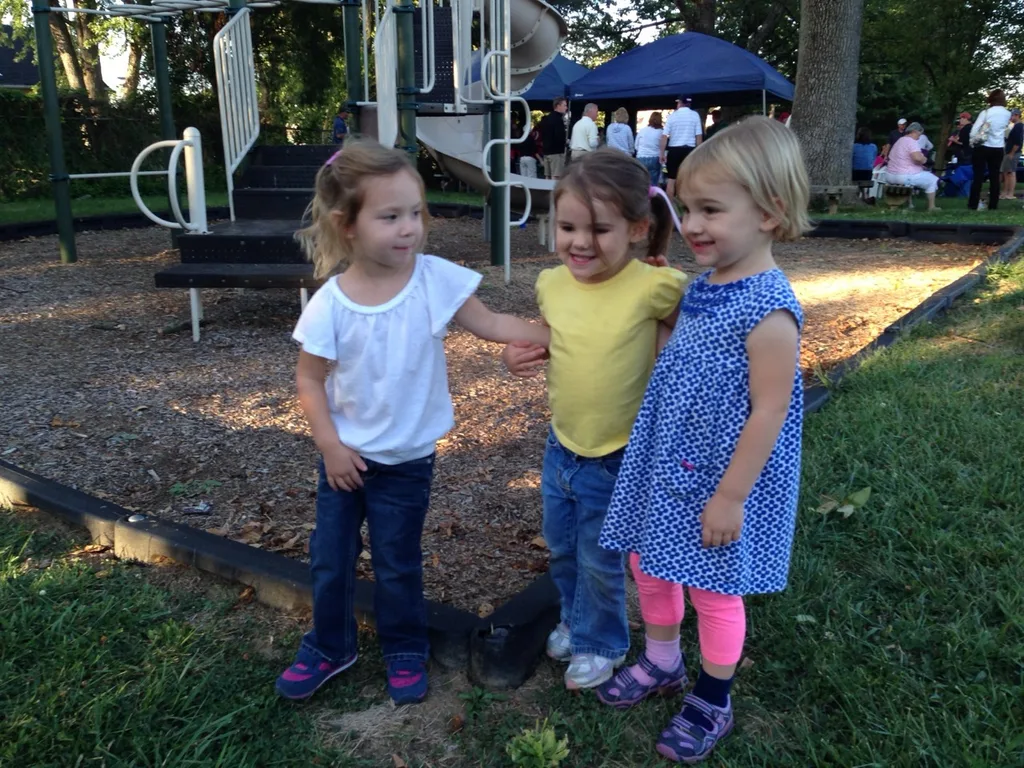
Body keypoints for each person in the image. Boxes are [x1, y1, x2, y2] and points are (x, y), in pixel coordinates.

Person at [275, 140, 549, 705]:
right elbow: (309, 381)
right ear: (345, 224)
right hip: (344, 460)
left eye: (416, 213)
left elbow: (493, 322)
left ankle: (404, 647)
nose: (409, 228)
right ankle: (330, 645)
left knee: (398, 562)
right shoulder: (329, 304)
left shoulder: (434, 280)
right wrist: (329, 447)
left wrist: (556, 335)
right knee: (331, 559)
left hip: (405, 464)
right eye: (390, 216)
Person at [594, 116, 810, 764]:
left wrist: (732, 497)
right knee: (648, 563)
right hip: (668, 460)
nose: (693, 224)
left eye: (711, 209)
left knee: (714, 587)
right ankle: (662, 660)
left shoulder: (769, 310)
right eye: (688, 208)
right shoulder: (700, 288)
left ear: (769, 213)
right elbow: (678, 358)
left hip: (720, 478)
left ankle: (713, 696)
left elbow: (769, 411)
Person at [501, 149, 688, 690]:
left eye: (599, 229)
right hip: (562, 445)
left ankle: (601, 643)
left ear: (636, 229)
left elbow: (686, 336)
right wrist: (510, 357)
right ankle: (574, 619)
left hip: (619, 452)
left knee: (600, 558)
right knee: (560, 546)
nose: (580, 242)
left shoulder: (655, 285)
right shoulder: (552, 284)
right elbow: (548, 336)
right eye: (567, 227)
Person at [969, 89, 1013, 210]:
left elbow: (974, 131)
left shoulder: (986, 112)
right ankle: (993, 204)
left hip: (983, 146)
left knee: (978, 176)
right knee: (995, 177)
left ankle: (973, 204)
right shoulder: (1007, 113)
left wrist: (973, 141)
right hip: (998, 147)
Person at [882, 122, 938, 211]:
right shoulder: (912, 141)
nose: (920, 136)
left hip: (890, 175)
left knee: (919, 176)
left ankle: (908, 205)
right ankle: (932, 207)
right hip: (904, 176)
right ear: (915, 131)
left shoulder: (899, 140)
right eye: (920, 133)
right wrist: (925, 160)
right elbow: (917, 158)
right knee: (932, 179)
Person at [660, 96, 703, 198]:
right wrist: (699, 153)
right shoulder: (695, 115)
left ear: (680, 103)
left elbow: (664, 136)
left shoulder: (673, 116)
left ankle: (670, 209)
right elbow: (699, 137)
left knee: (671, 180)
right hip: (690, 150)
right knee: (689, 179)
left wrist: (661, 153)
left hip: (674, 149)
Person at [539, 98, 569, 179]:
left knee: (547, 176)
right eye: (564, 105)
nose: (566, 108)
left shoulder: (546, 119)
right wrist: (565, 142)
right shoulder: (558, 120)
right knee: (556, 176)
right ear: (558, 106)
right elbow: (559, 136)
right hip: (556, 152)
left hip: (546, 151)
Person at [636, 112, 665, 186]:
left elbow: (636, 146)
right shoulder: (661, 132)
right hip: (655, 158)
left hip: (641, 157)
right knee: (653, 184)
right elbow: (663, 147)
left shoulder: (642, 130)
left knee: (641, 182)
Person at [1000, 108, 1021, 201]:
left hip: (1013, 153)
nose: (1010, 118)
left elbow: (1018, 142)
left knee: (1011, 173)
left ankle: (1010, 193)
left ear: (1016, 115)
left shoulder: (1019, 126)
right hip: (1009, 152)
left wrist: (1012, 153)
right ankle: (1005, 193)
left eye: (1011, 116)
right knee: (1006, 172)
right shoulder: (1014, 126)